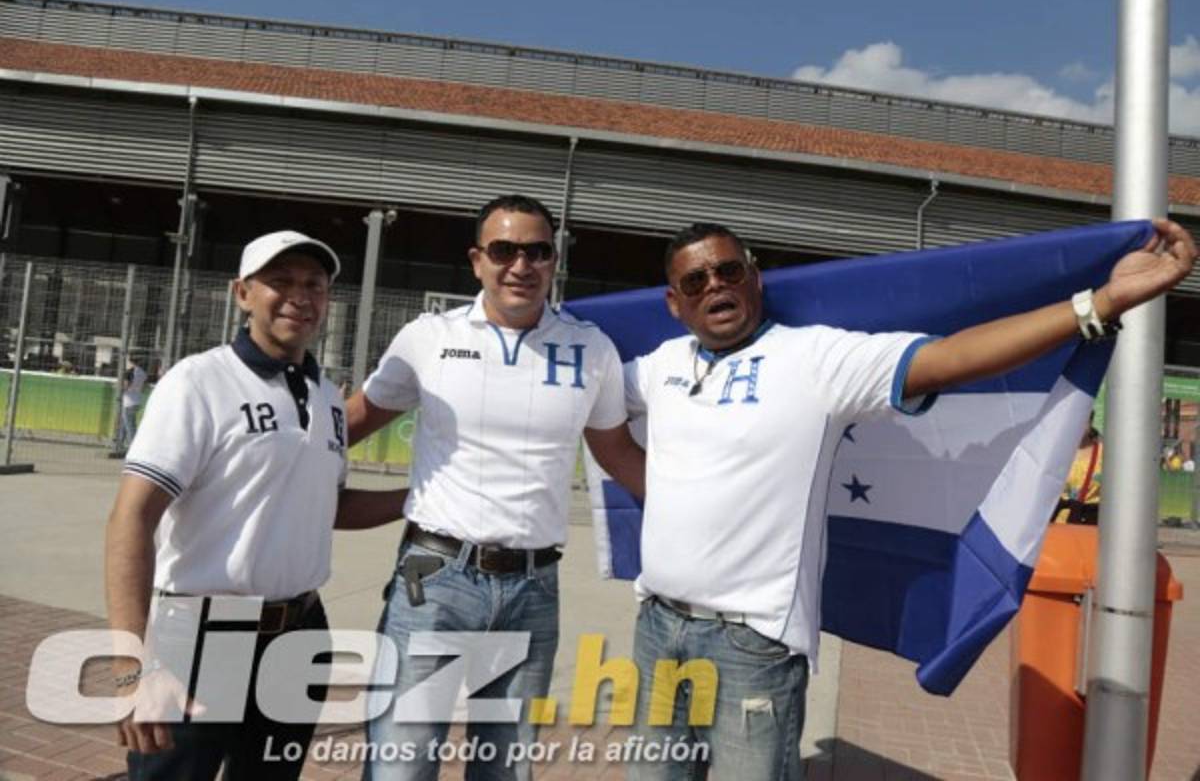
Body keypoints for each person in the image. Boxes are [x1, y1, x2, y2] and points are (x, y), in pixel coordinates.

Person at [623, 219, 1196, 780]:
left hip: (751, 645)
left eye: (728, 270)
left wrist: (1098, 304)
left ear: (754, 277)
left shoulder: (815, 359)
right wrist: (652, 487)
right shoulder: (658, 367)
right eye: (696, 281)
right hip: (656, 630)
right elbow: (581, 394)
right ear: (675, 303)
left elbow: (955, 357)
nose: (715, 285)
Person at [345, 194, 644, 781]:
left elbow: (619, 455)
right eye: (504, 250)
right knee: (401, 766)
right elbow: (347, 425)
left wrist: (710, 507)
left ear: (554, 261)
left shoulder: (592, 348)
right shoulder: (427, 337)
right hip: (433, 580)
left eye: (537, 251)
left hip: (533, 588)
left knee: (504, 770)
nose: (521, 265)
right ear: (477, 260)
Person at [106, 230, 408, 781]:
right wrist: (133, 665)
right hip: (202, 634)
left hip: (299, 630)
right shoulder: (199, 382)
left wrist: (419, 500)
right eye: (280, 281)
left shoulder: (325, 397)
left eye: (313, 284)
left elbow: (327, 506)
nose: (299, 296)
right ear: (242, 293)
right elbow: (133, 516)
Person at [1053, 412, 1103, 524]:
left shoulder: (1106, 454)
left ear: (1091, 422)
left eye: (1082, 421)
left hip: (1090, 523)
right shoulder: (1054, 453)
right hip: (1057, 524)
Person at [117, 356, 148, 449]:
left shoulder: (129, 372)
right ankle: (119, 443)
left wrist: (117, 387)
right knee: (124, 423)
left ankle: (133, 446)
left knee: (130, 426)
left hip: (128, 402)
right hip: (137, 400)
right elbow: (143, 388)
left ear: (130, 361)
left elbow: (125, 386)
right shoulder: (142, 372)